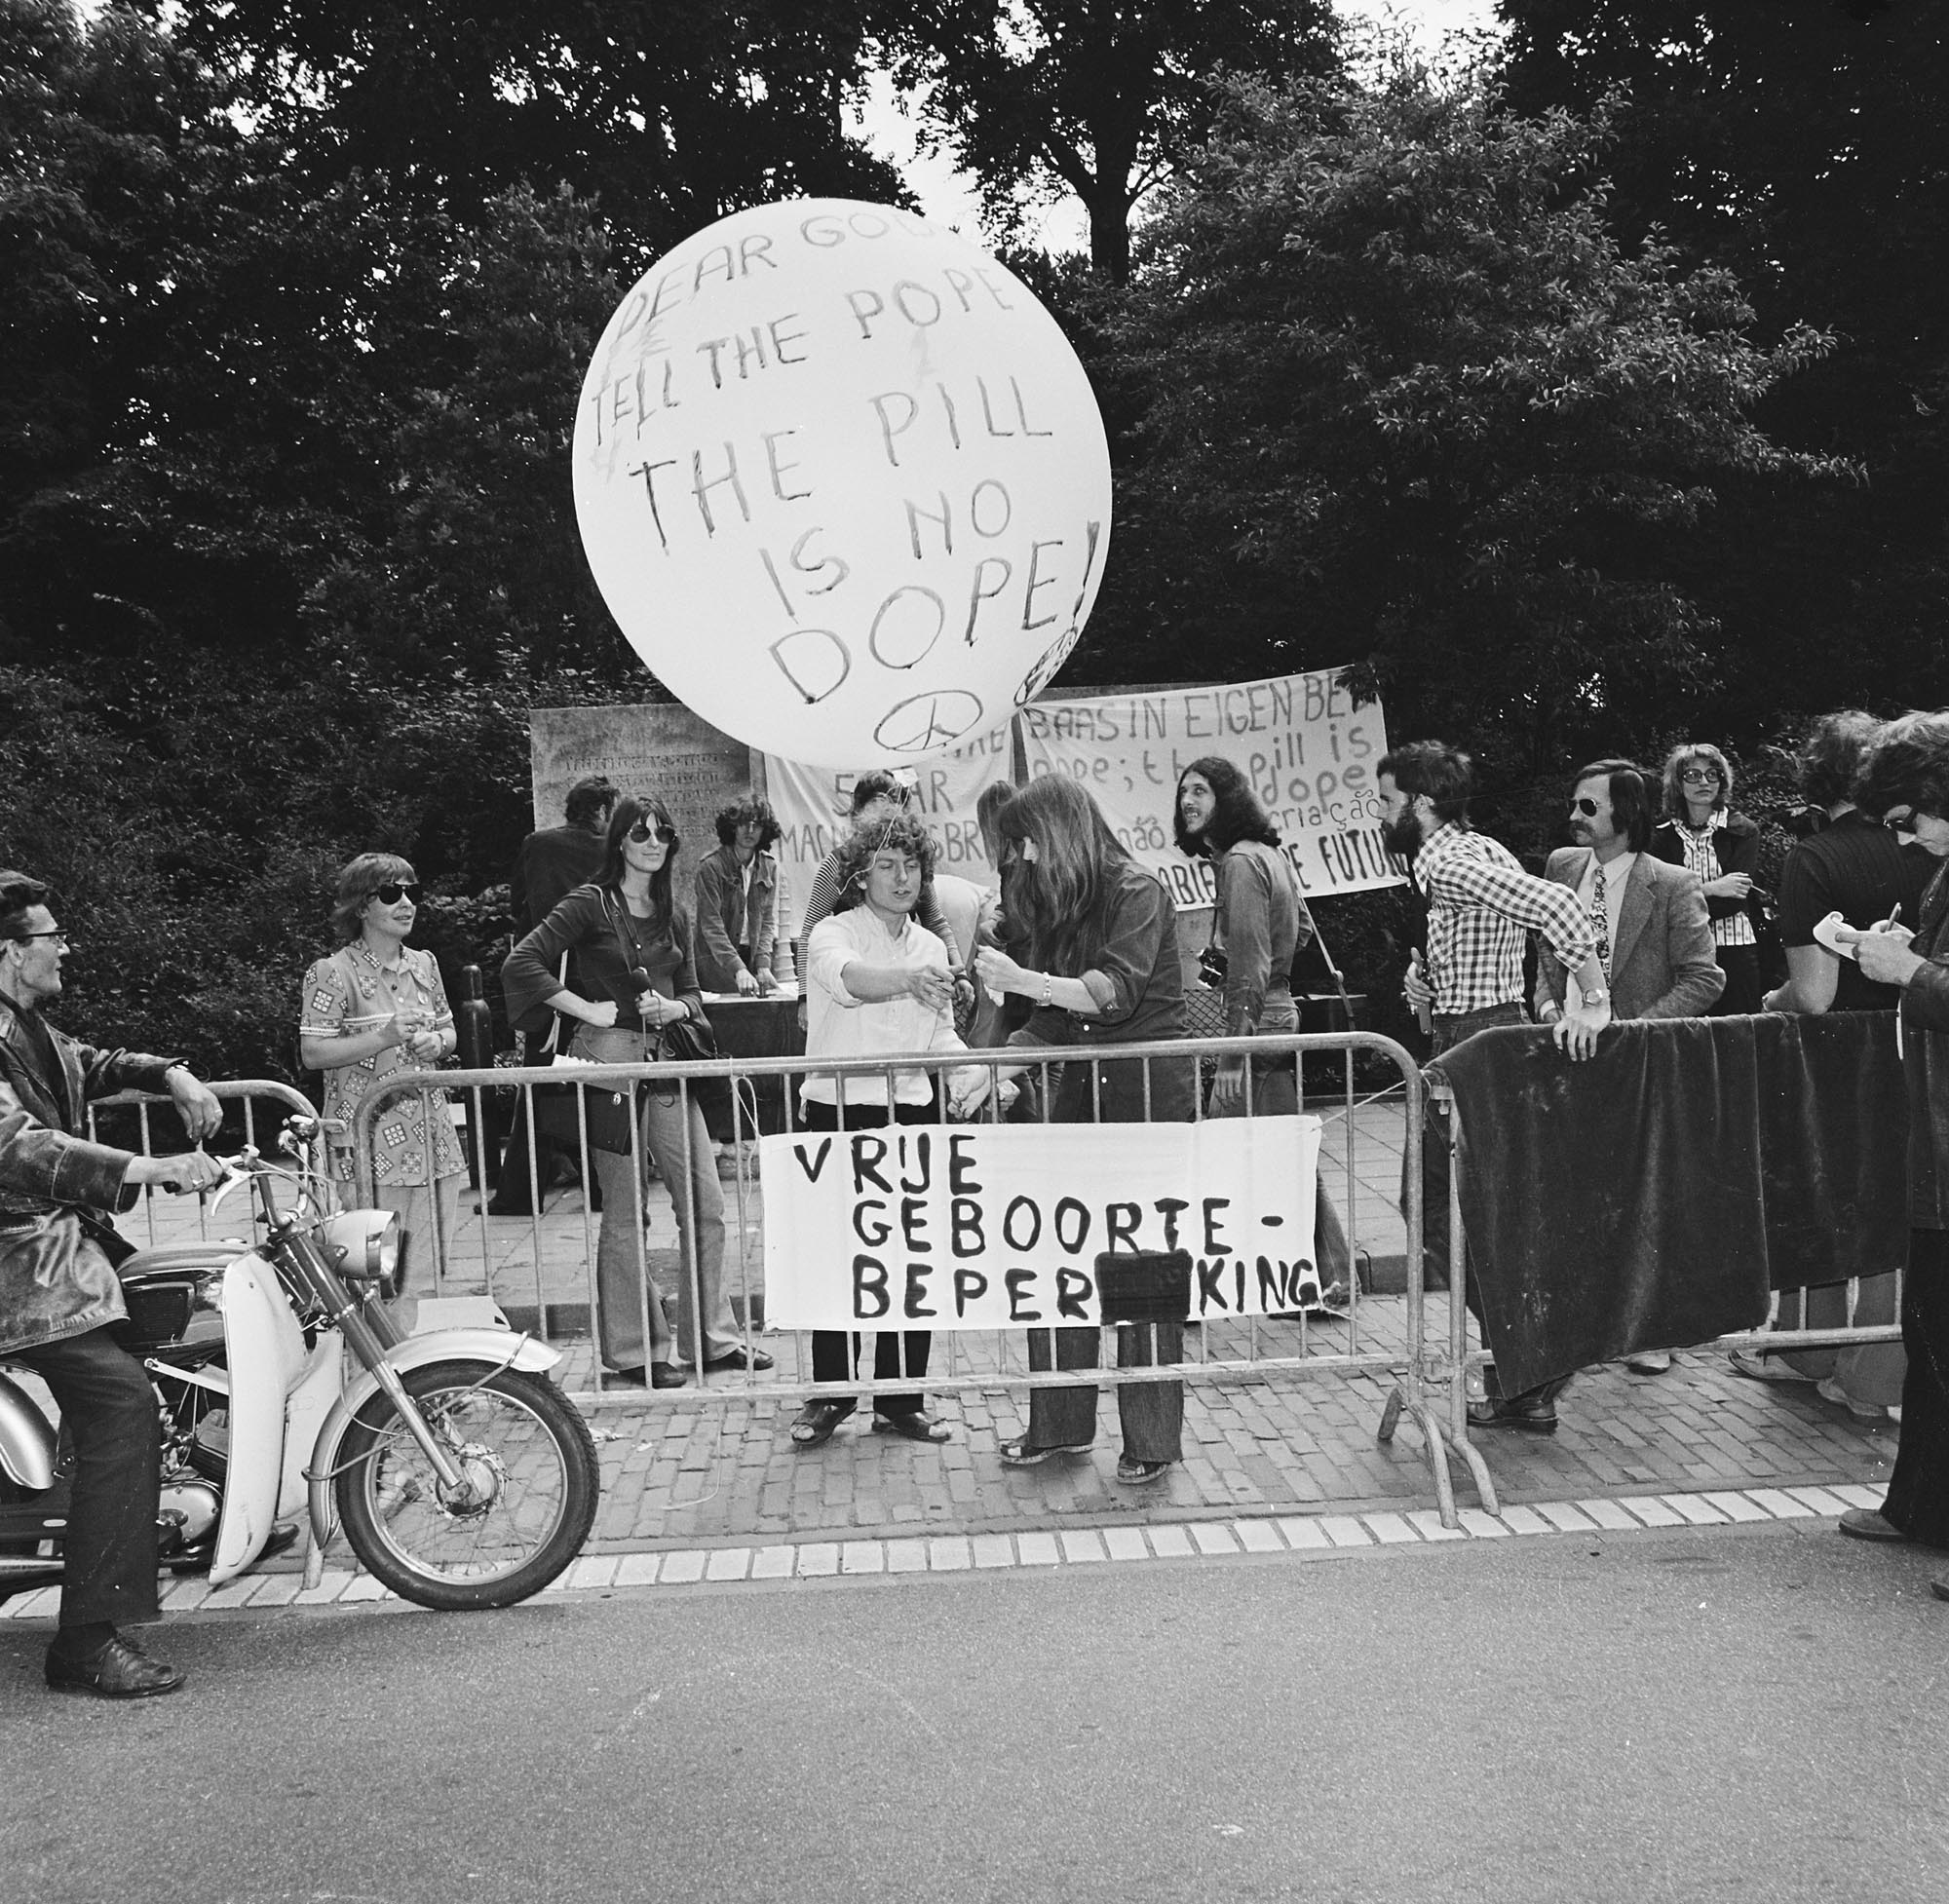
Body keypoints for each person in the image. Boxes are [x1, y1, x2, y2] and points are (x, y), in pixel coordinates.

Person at [1, 869, 225, 1698]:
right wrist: (150, 1166)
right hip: (17, 1264)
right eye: (50, 937)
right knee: (121, 1402)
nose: (63, 948)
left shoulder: (25, 1024)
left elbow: (88, 1063)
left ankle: (169, 1497)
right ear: (10, 951)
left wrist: (170, 1071)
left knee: (188, 1316)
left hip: (54, 1249)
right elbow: (19, 1147)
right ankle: (86, 1640)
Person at [1377, 741, 1610, 1435]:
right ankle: (1527, 1370)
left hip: (1476, 1046)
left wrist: (1593, 997)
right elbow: (1497, 945)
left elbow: (1560, 907)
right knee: (1470, 1214)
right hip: (1480, 1035)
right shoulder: (1478, 851)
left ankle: (1534, 1357)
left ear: (1419, 803)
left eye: (1388, 800)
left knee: (1438, 1210)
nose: (1380, 813)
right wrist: (1429, 984)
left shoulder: (1448, 861)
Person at [501, 795, 769, 1388]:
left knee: (706, 1203)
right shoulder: (589, 902)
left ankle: (711, 1339)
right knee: (625, 1215)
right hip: (611, 1065)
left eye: (663, 833)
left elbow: (695, 991)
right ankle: (634, 1351)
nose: (652, 841)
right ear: (618, 840)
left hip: (669, 1064)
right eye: (640, 832)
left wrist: (677, 1006)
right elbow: (523, 964)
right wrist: (586, 1011)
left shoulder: (674, 911)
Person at [974, 778, 1198, 1486]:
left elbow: (1109, 995)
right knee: (1059, 1270)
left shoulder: (1138, 891)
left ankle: (1152, 1441)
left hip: (1143, 1115)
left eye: (1029, 841)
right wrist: (994, 1068)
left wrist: (1026, 980)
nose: (1025, 857)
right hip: (1076, 1114)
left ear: (1062, 831)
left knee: (1142, 1280)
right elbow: (1052, 1024)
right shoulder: (1065, 906)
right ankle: (1060, 1427)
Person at [1741, 711, 1930, 1413]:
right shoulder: (1924, 851)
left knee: (1823, 1197)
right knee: (1901, 1203)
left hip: (1838, 1059)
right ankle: (1875, 1368)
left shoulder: (1813, 859)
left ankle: (1817, 1351)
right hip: (1921, 1044)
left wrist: (1771, 994)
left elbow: (1814, 994)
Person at [787, 812, 994, 1452]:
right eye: (887, 865)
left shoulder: (931, 948)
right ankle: (830, 1394)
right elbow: (848, 983)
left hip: (909, 1111)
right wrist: (906, 980)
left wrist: (974, 1073)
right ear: (858, 875)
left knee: (910, 1258)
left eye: (912, 866)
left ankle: (901, 1398)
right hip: (838, 1111)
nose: (903, 878)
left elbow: (938, 1033)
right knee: (837, 1257)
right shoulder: (830, 932)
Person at [1533, 759, 1725, 1373]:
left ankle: (1651, 1332)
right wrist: (1544, 1002)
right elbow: (1547, 945)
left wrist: (1632, 1033)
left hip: (1638, 1064)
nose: (1574, 816)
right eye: (1574, 803)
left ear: (1627, 813)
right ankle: (1585, 1323)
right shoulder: (1562, 867)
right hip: (1565, 1058)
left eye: (1589, 806)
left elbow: (1704, 978)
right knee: (1574, 1194)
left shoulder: (1670, 884)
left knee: (1644, 1195)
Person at [1833, 712, 1949, 1594]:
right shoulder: (1944, 875)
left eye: (1911, 814)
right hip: (1933, 1141)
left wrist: (1908, 972)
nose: (1904, 834)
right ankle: (1920, 1507)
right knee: (1928, 1327)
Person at [1173, 756, 1351, 1300]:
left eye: (1201, 791)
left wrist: (1231, 1056)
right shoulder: (1267, 855)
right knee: (1285, 1150)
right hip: (1275, 1014)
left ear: (1228, 800)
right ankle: (1331, 1275)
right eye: (1184, 793)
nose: (1188, 802)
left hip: (1254, 1028)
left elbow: (1249, 966)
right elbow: (1293, 939)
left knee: (1217, 1158)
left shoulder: (1240, 865)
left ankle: (1197, 1283)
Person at [299, 854, 465, 1293]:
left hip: (434, 1145)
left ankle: (408, 1362)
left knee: (424, 1276)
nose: (406, 902)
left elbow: (449, 1030)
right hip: (367, 1150)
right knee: (372, 1279)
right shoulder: (331, 973)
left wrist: (441, 1043)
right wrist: (385, 1036)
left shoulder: (425, 964)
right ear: (361, 907)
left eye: (412, 891)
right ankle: (373, 1362)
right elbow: (313, 1053)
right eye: (391, 893)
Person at [492, 775, 616, 1216]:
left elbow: (518, 904)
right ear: (603, 811)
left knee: (540, 1085)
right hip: (600, 983)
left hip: (550, 977)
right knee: (601, 1088)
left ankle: (520, 1193)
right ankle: (607, 1191)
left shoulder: (538, 844)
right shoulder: (612, 851)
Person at [1648, 743, 1769, 1014]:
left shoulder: (1743, 831)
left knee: (1740, 1033)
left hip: (1733, 948)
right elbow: (1657, 899)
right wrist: (1712, 888)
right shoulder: (1661, 835)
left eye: (1712, 774)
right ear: (1678, 783)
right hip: (1680, 952)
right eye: (1692, 775)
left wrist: (1683, 900)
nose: (1704, 782)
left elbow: (1734, 901)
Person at [692, 796, 783, 995]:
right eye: (743, 823)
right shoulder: (711, 867)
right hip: (716, 964)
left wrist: (763, 964)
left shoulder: (769, 866)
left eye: (757, 825)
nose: (750, 831)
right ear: (732, 826)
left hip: (750, 959)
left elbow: (767, 920)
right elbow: (711, 925)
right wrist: (738, 968)